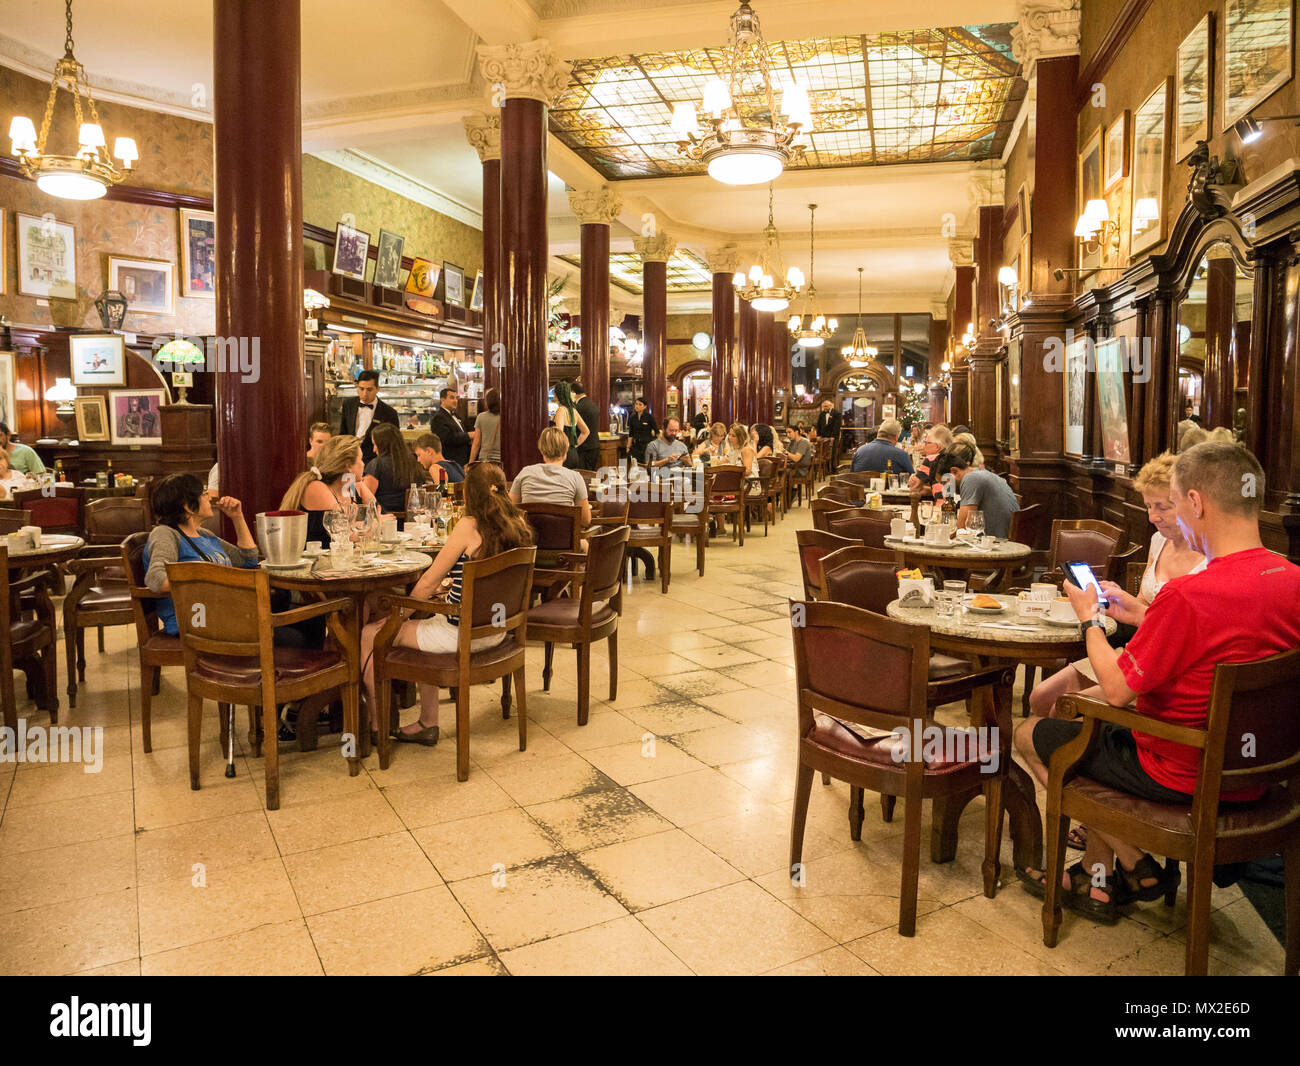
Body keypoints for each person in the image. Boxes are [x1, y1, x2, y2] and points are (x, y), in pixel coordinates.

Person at [1013, 442, 1300, 923]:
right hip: (1264, 771)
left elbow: (1119, 687)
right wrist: (1146, 616)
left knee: (1036, 733)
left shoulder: (1190, 594)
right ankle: (1097, 878)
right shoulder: (1290, 578)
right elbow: (1214, 650)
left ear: (1197, 502)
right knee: (1089, 733)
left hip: (1180, 768)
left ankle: (1133, 858)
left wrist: (1089, 620)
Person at [360, 462, 534, 745]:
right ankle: (427, 723)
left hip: (461, 635)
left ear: (469, 494)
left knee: (371, 634)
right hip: (498, 632)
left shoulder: (468, 526)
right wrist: (450, 590)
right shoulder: (519, 524)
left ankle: (376, 726)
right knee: (425, 624)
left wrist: (398, 616)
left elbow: (428, 582)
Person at [1029, 452, 1207, 720]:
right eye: (1148, 506)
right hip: (1135, 649)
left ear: (1189, 502)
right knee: (1040, 697)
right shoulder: (1160, 542)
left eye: (1162, 507)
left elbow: (1184, 634)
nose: (1152, 517)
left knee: (1061, 708)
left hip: (1164, 669)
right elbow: (1146, 607)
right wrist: (1125, 600)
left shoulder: (1208, 561)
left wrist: (1096, 619)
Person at [143, 474, 260, 637]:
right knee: (292, 636)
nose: (210, 497)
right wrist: (211, 577)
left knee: (282, 600)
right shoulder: (166, 533)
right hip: (196, 623)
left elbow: (248, 559)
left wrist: (237, 517)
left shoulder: (204, 534)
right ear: (188, 506)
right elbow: (157, 579)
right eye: (204, 493)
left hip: (223, 615)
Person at [280, 435, 380, 544]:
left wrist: (366, 525)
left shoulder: (350, 485)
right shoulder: (316, 487)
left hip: (341, 557)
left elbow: (376, 513)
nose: (363, 464)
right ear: (348, 466)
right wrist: (366, 526)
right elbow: (346, 535)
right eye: (360, 459)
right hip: (314, 558)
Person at [509, 426, 592, 527]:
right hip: (563, 541)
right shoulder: (575, 477)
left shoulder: (525, 473)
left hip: (529, 540)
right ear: (566, 449)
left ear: (541, 450)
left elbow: (510, 511)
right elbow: (585, 520)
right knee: (586, 543)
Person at [948, 441, 1019, 537]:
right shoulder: (982, 473)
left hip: (996, 544)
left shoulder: (971, 478)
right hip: (1002, 540)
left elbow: (962, 529)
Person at [338, 369, 399, 464]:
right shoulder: (348, 405)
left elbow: (394, 445)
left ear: (378, 389)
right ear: (357, 388)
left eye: (369, 390)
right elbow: (343, 433)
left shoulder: (389, 413)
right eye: (361, 389)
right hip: (351, 460)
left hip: (375, 462)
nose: (365, 394)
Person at [363, 423, 429, 512]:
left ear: (383, 444)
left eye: (375, 445)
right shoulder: (414, 462)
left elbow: (366, 499)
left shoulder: (376, 464)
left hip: (384, 518)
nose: (374, 449)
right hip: (411, 517)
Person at [908, 423, 954, 500]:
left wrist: (915, 480)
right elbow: (945, 490)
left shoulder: (931, 459)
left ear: (937, 447)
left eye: (926, 443)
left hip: (940, 508)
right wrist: (929, 488)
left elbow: (913, 490)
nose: (923, 446)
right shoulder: (953, 459)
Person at [551, 381, 590, 470]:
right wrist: (574, 445)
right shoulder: (573, 411)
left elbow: (559, 433)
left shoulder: (561, 410)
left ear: (557, 395)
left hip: (563, 455)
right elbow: (586, 431)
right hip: (573, 453)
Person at [428, 387, 471, 467]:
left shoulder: (455, 415)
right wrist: (469, 435)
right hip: (450, 462)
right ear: (442, 400)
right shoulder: (439, 417)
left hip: (462, 461)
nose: (455, 401)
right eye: (452, 398)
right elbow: (448, 438)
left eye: (456, 398)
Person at [570, 380, 602, 471]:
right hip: (595, 445)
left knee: (583, 475)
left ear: (573, 392)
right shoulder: (593, 404)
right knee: (590, 474)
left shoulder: (578, 407)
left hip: (583, 447)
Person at [468, 388, 502, 466]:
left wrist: (470, 463)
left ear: (488, 401)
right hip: (501, 459)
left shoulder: (481, 417)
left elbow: (476, 443)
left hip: (485, 459)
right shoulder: (506, 417)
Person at [811, 399, 842, 468]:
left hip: (833, 436)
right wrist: (818, 435)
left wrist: (833, 436)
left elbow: (837, 426)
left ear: (830, 406)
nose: (824, 408)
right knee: (823, 453)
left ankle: (833, 469)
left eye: (825, 406)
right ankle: (825, 468)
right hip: (823, 436)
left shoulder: (837, 413)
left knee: (832, 453)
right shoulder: (822, 414)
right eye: (823, 406)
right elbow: (818, 425)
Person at [629, 396, 658, 465]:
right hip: (636, 446)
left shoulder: (649, 417)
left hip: (647, 445)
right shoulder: (632, 417)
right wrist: (628, 447)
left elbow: (657, 432)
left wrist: (659, 447)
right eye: (636, 404)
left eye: (640, 404)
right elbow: (631, 433)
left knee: (645, 464)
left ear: (645, 407)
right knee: (635, 465)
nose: (637, 406)